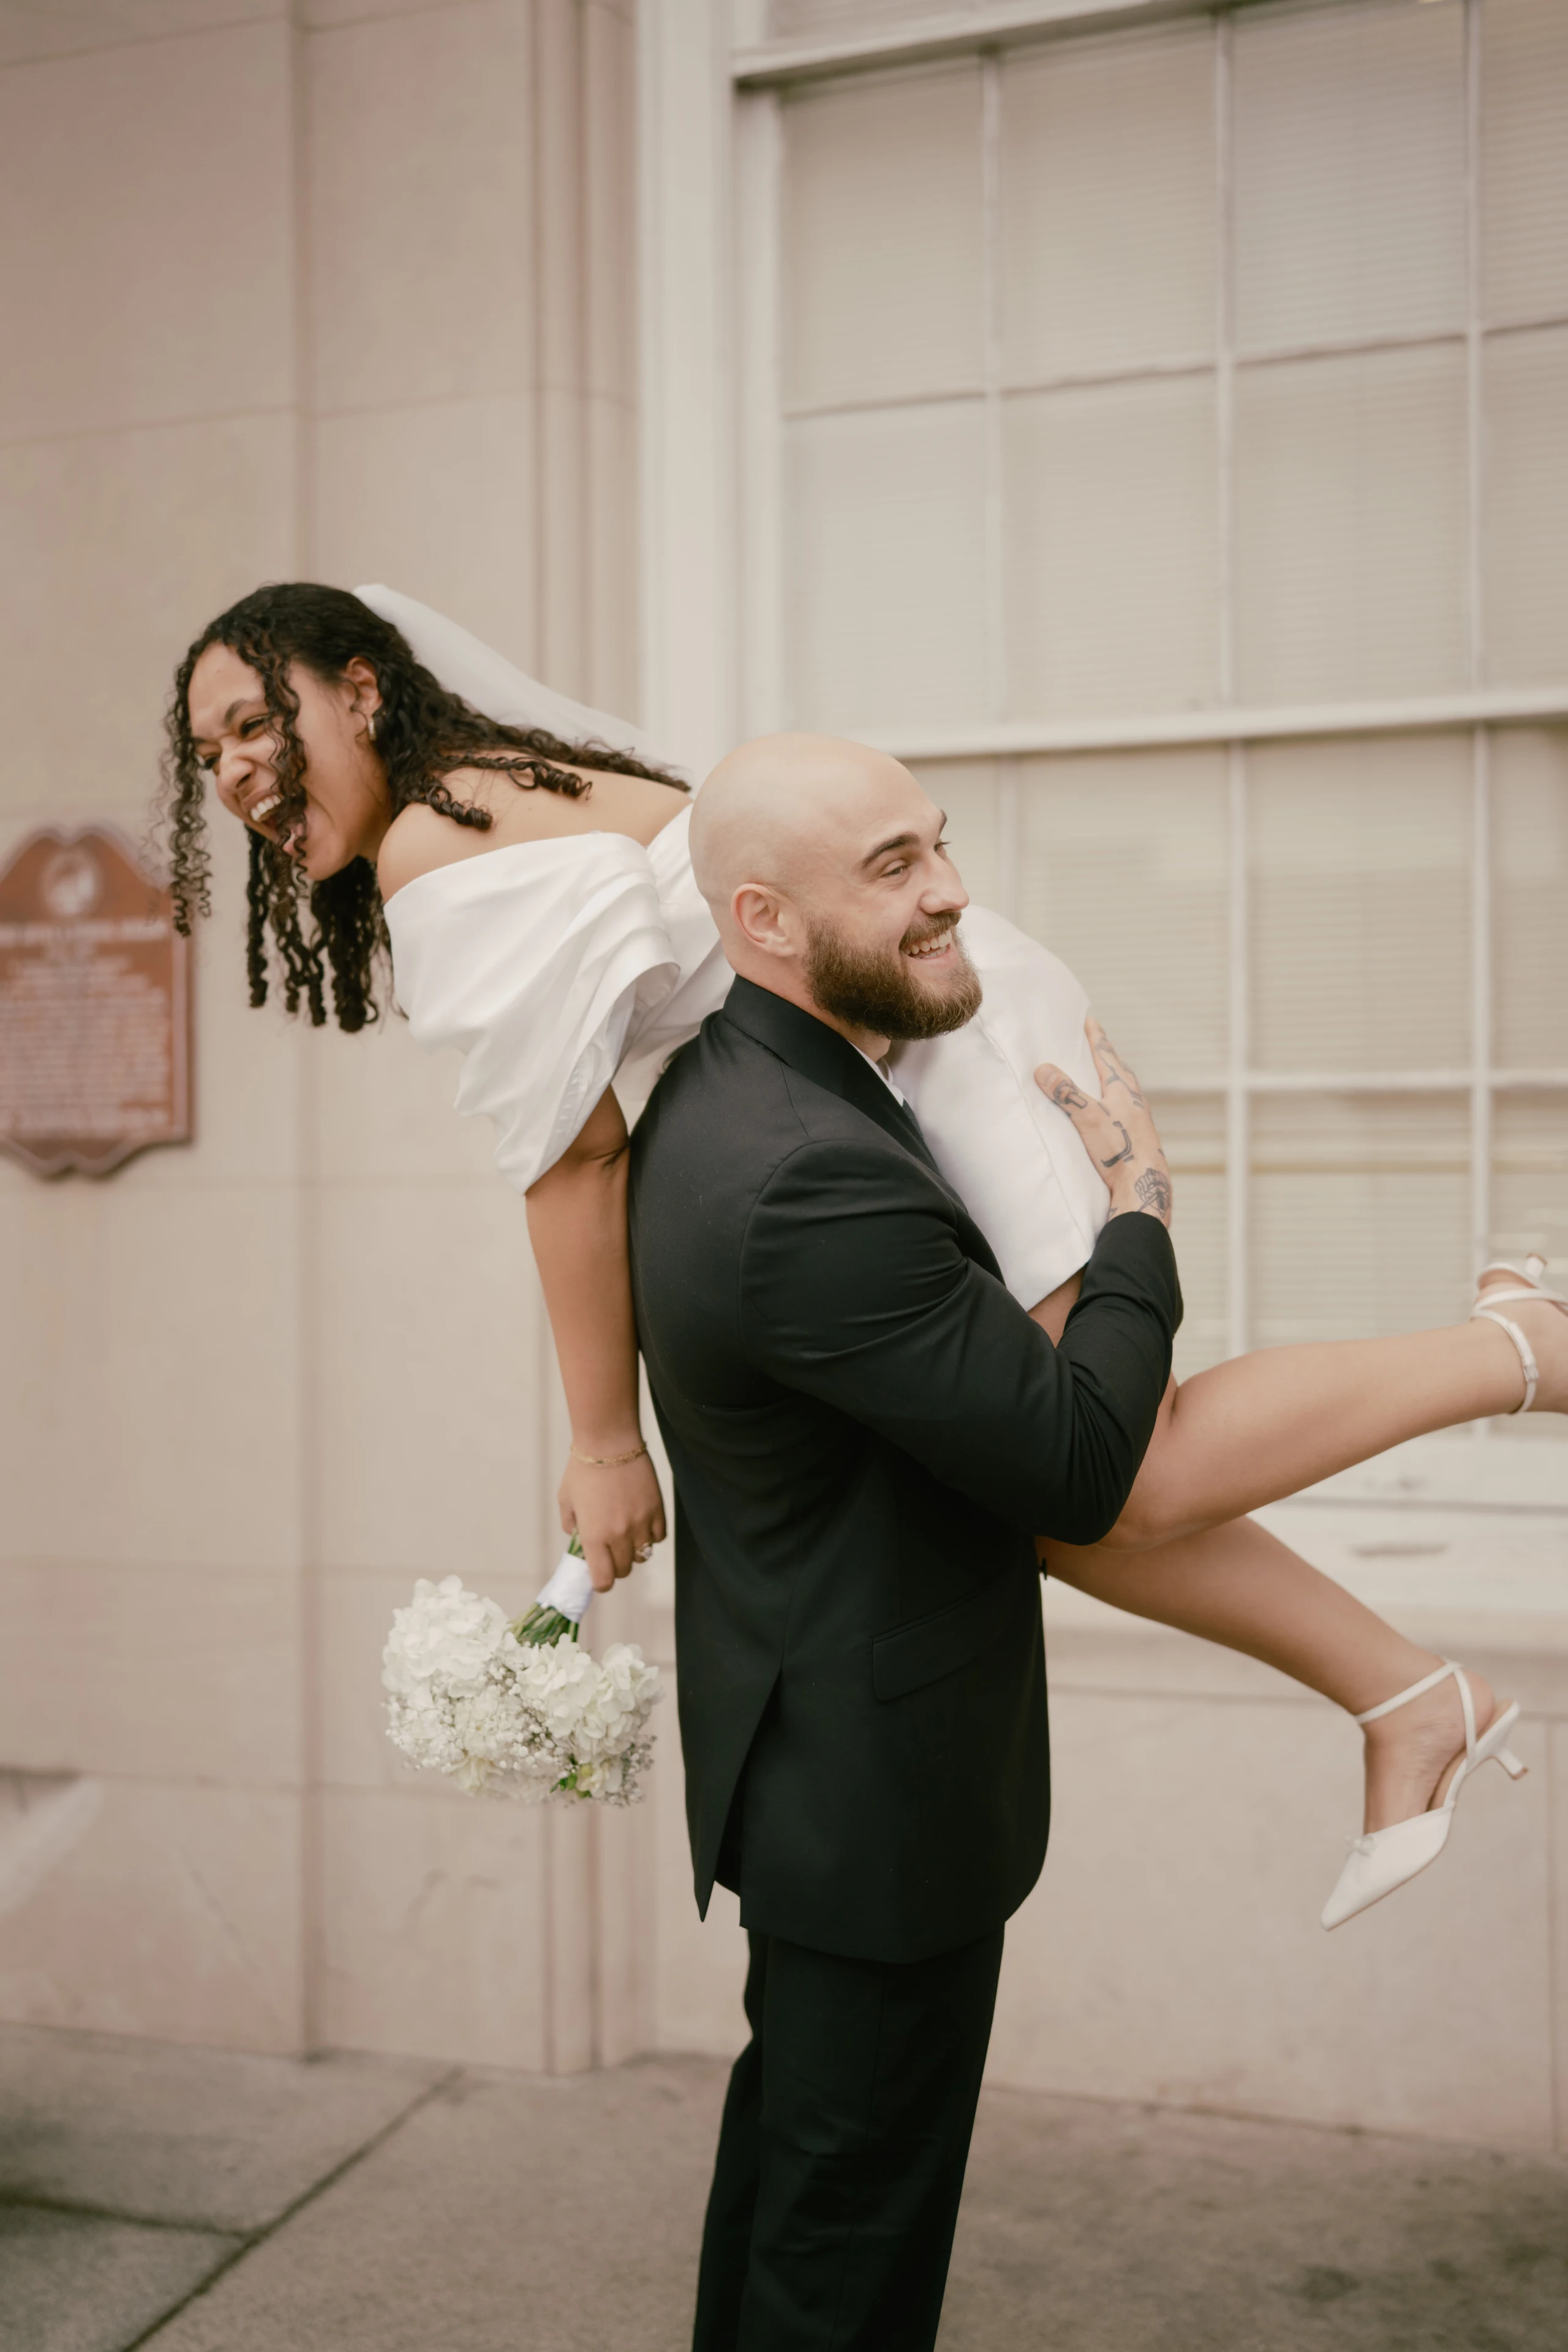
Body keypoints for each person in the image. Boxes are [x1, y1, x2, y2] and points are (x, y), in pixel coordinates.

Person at [157, 582, 1564, 1935]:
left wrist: (604, 1442)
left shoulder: (427, 836)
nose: (229, 767)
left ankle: (1513, 1347)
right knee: (1044, 1504)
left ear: (356, 689)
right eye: (203, 750)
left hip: (948, 1038)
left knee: (1119, 1471)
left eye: (250, 722)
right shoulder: (484, 789)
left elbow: (573, 1157)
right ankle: (1400, 1696)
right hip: (921, 1041)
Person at [628, 755, 1181, 2350]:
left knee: (799, 2182)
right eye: (892, 865)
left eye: (938, 846)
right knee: (848, 2246)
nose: (947, 891)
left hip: (816, 1764)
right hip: (877, 1803)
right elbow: (1080, 1462)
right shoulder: (809, 1176)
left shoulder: (736, 1094)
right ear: (762, 918)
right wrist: (1136, 1195)